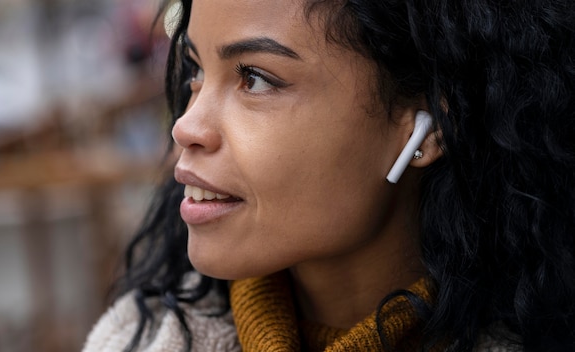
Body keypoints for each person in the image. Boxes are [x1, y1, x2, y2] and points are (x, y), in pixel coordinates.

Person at [83, 0, 575, 351]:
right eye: (195, 71)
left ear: (428, 128)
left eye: (254, 77)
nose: (186, 125)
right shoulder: (136, 339)